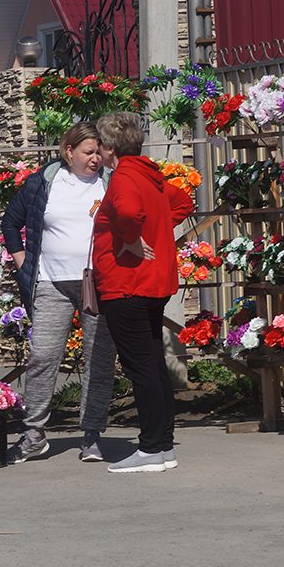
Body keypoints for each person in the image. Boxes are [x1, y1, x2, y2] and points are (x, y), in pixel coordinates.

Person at [1, 121, 117, 464]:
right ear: (69, 152)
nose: (95, 158)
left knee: (99, 359)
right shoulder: (44, 182)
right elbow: (10, 221)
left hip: (95, 283)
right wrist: (23, 263)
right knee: (42, 357)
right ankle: (33, 434)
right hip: (50, 283)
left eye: (99, 152)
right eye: (88, 152)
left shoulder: (110, 183)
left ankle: (92, 436)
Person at [92, 112, 194, 473]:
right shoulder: (148, 174)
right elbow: (182, 202)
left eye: (101, 146)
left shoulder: (123, 176)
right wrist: (154, 229)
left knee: (142, 368)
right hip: (151, 282)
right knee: (152, 364)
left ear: (109, 148)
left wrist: (133, 240)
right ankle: (162, 445)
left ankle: (151, 447)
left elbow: (128, 212)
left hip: (127, 284)